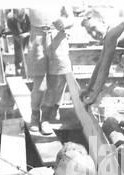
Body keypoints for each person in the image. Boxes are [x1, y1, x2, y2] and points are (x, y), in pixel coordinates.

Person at [80, 7, 124, 137]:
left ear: (103, 21)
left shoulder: (112, 33)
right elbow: (100, 63)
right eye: (89, 32)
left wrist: (93, 96)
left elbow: (105, 69)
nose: (93, 34)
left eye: (94, 28)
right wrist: (89, 88)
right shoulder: (109, 34)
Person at [27, 7, 74, 135]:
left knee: (54, 84)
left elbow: (71, 18)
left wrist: (65, 22)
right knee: (40, 86)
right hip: (37, 38)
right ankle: (35, 116)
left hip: (57, 37)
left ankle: (45, 119)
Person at [6, 9, 31, 76]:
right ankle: (19, 71)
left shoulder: (30, 15)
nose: (20, 20)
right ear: (14, 16)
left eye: (21, 19)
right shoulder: (10, 18)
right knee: (18, 52)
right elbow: (13, 32)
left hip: (29, 33)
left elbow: (34, 29)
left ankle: (31, 71)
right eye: (18, 19)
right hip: (18, 35)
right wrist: (17, 37)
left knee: (32, 50)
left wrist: (26, 34)